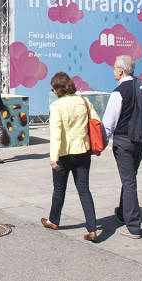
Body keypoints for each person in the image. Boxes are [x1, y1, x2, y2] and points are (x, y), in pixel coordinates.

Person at [102, 55, 142, 239]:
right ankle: (122, 212)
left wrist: (100, 143)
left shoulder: (119, 92)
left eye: (114, 68)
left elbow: (109, 123)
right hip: (141, 139)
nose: (113, 71)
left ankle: (133, 226)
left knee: (129, 181)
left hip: (124, 141)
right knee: (130, 177)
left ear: (121, 70)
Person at [43, 71, 98, 242]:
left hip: (64, 153)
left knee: (59, 189)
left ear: (58, 90)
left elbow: (57, 134)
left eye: (53, 89)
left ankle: (54, 220)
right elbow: (96, 122)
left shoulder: (57, 106)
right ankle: (92, 228)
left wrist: (53, 157)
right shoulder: (84, 101)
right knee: (84, 189)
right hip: (83, 150)